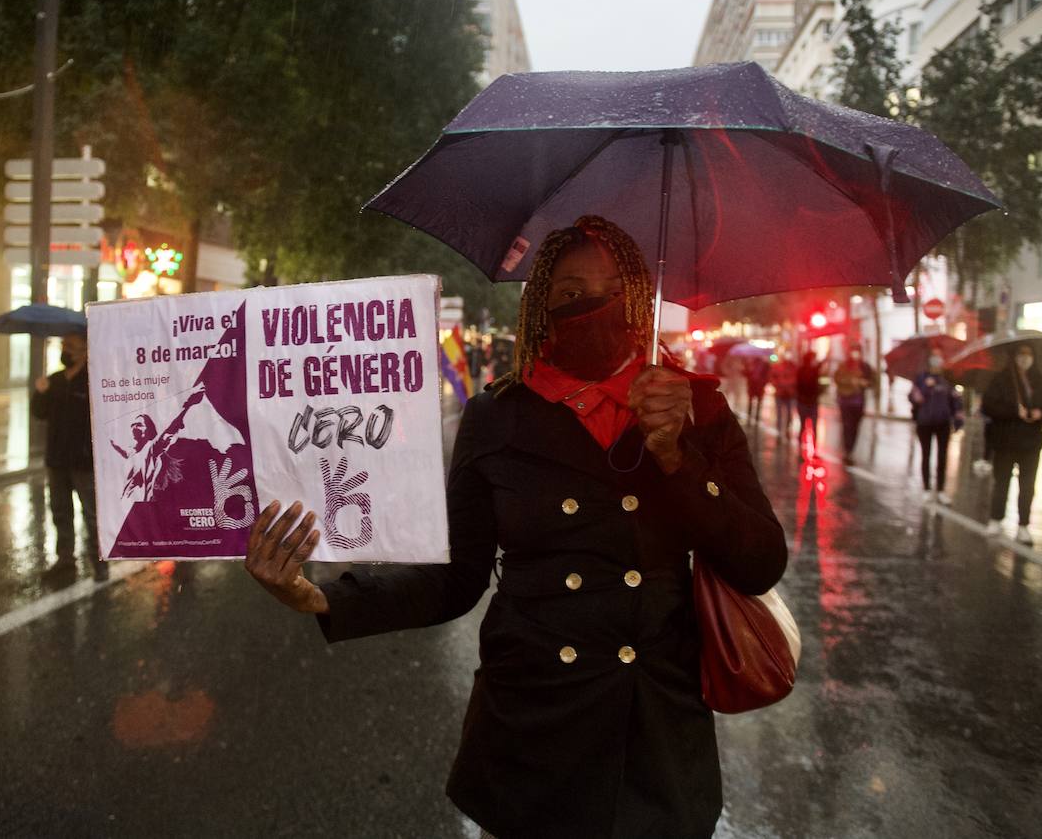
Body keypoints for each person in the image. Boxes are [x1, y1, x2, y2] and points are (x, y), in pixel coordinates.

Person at [244, 216, 787, 839]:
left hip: (657, 730)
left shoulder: (696, 404)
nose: (592, 302)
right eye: (570, 289)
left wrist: (677, 457)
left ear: (639, 298)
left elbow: (759, 563)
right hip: (535, 724)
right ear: (541, 307)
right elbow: (457, 578)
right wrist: (319, 597)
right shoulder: (496, 415)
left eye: (613, 286)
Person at [31, 332, 102, 580]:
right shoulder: (55, 380)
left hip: (84, 462)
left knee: (92, 515)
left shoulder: (93, 382)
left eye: (71, 346)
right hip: (57, 461)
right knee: (60, 511)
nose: (65, 350)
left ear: (84, 351)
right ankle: (65, 559)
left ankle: (99, 562)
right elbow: (39, 414)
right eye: (63, 345)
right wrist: (40, 392)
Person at [981, 344, 1042, 545]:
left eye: (1028, 353)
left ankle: (1023, 525)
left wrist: (1040, 413)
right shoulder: (1001, 380)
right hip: (1006, 442)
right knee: (1001, 482)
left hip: (1031, 443)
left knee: (1027, 485)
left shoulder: (1041, 381)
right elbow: (988, 406)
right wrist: (1014, 411)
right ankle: (996, 519)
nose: (1024, 358)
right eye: (1021, 353)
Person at [910, 350, 963, 504]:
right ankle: (926, 488)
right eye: (934, 356)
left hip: (943, 423)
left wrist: (958, 420)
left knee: (942, 456)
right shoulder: (921, 378)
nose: (937, 360)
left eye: (939, 357)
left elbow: (956, 401)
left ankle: (940, 490)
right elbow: (914, 398)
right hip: (925, 423)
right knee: (926, 455)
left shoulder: (947, 380)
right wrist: (926, 388)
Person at [833, 344, 875, 464]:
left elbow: (872, 381)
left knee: (855, 427)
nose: (855, 354)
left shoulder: (865, 367)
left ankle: (851, 449)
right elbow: (837, 379)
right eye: (853, 351)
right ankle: (848, 451)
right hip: (846, 401)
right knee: (847, 426)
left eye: (857, 351)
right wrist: (851, 381)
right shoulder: (844, 366)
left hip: (859, 402)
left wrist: (865, 383)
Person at [796, 351, 822, 455]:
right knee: (807, 426)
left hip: (808, 402)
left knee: (809, 426)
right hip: (806, 402)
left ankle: (812, 447)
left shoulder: (811, 370)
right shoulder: (806, 371)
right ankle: (807, 447)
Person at [770, 352, 797, 438]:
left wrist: (788, 386)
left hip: (788, 394)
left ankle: (786, 429)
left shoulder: (793, 368)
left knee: (788, 413)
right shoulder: (778, 367)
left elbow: (795, 380)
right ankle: (779, 429)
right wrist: (778, 385)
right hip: (780, 393)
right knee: (779, 413)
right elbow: (772, 377)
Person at [744, 356, 770, 424]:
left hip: (760, 386)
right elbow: (746, 373)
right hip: (752, 386)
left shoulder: (765, 365)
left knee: (758, 402)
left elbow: (767, 375)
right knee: (750, 402)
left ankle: (756, 418)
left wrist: (764, 382)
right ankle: (749, 418)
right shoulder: (751, 364)